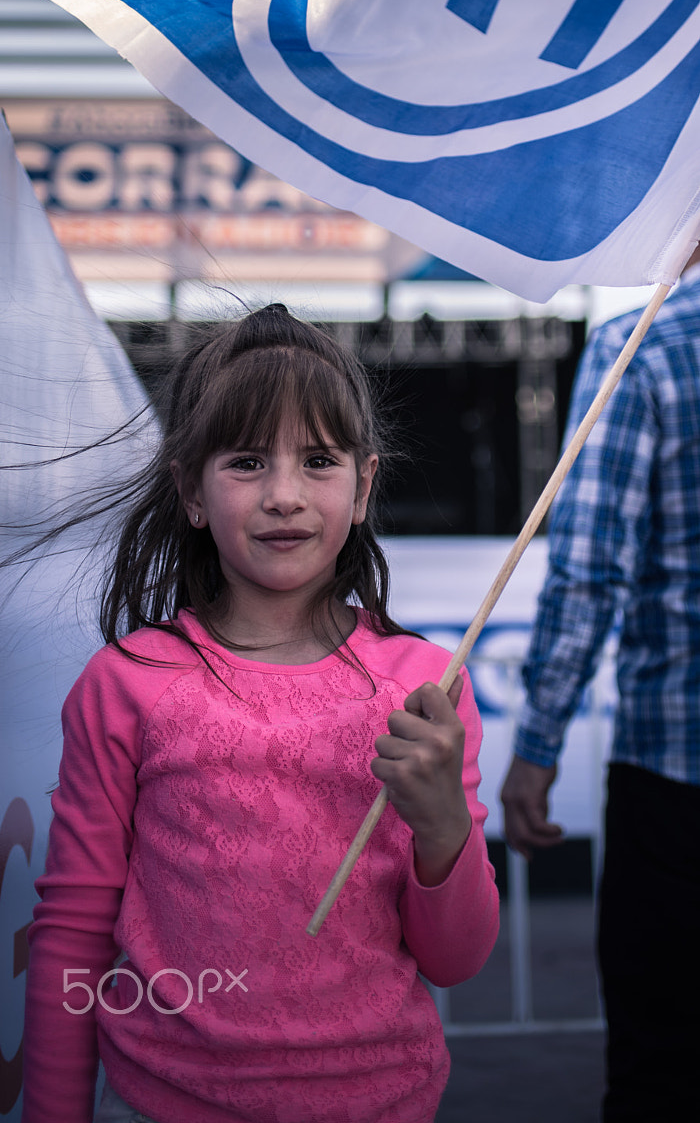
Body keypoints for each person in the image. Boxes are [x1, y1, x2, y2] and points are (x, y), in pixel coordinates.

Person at [22, 303, 499, 1123]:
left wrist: (443, 826)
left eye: (318, 460)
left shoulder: (425, 690)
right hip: (160, 1102)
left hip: (385, 1103)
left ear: (364, 487)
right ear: (192, 492)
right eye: (246, 461)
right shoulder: (126, 683)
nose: (284, 496)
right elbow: (70, 937)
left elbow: (457, 961)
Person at [500, 248, 700, 1122]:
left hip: (677, 776)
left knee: (663, 1066)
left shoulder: (648, 348)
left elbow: (588, 573)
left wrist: (535, 750)